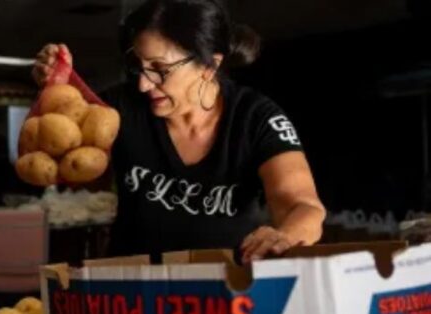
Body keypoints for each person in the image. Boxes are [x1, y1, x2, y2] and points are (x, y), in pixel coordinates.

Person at [33, 0, 325, 262]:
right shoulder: (120, 108)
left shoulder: (255, 118)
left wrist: (285, 235)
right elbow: (60, 166)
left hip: (224, 296)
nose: (144, 85)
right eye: (139, 67)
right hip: (132, 296)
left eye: (160, 69)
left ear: (210, 65)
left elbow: (302, 205)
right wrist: (57, 91)